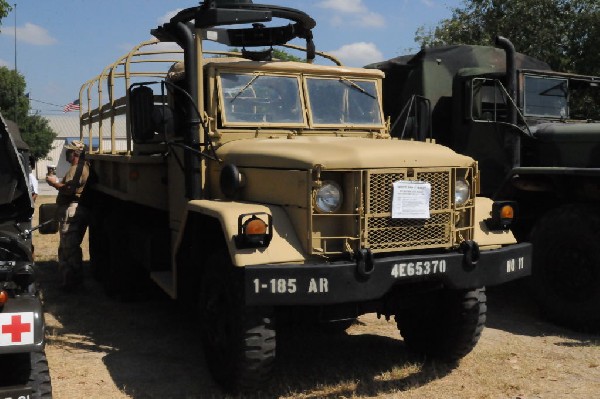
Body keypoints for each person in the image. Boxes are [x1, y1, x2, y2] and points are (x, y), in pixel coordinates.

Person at [46, 141, 90, 291]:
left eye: (69, 151)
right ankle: (69, 280)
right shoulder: (80, 167)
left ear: (76, 154)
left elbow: (69, 190)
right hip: (74, 209)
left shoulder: (77, 168)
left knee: (69, 248)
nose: (67, 153)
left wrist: (53, 183)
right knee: (68, 247)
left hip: (72, 209)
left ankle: (72, 283)